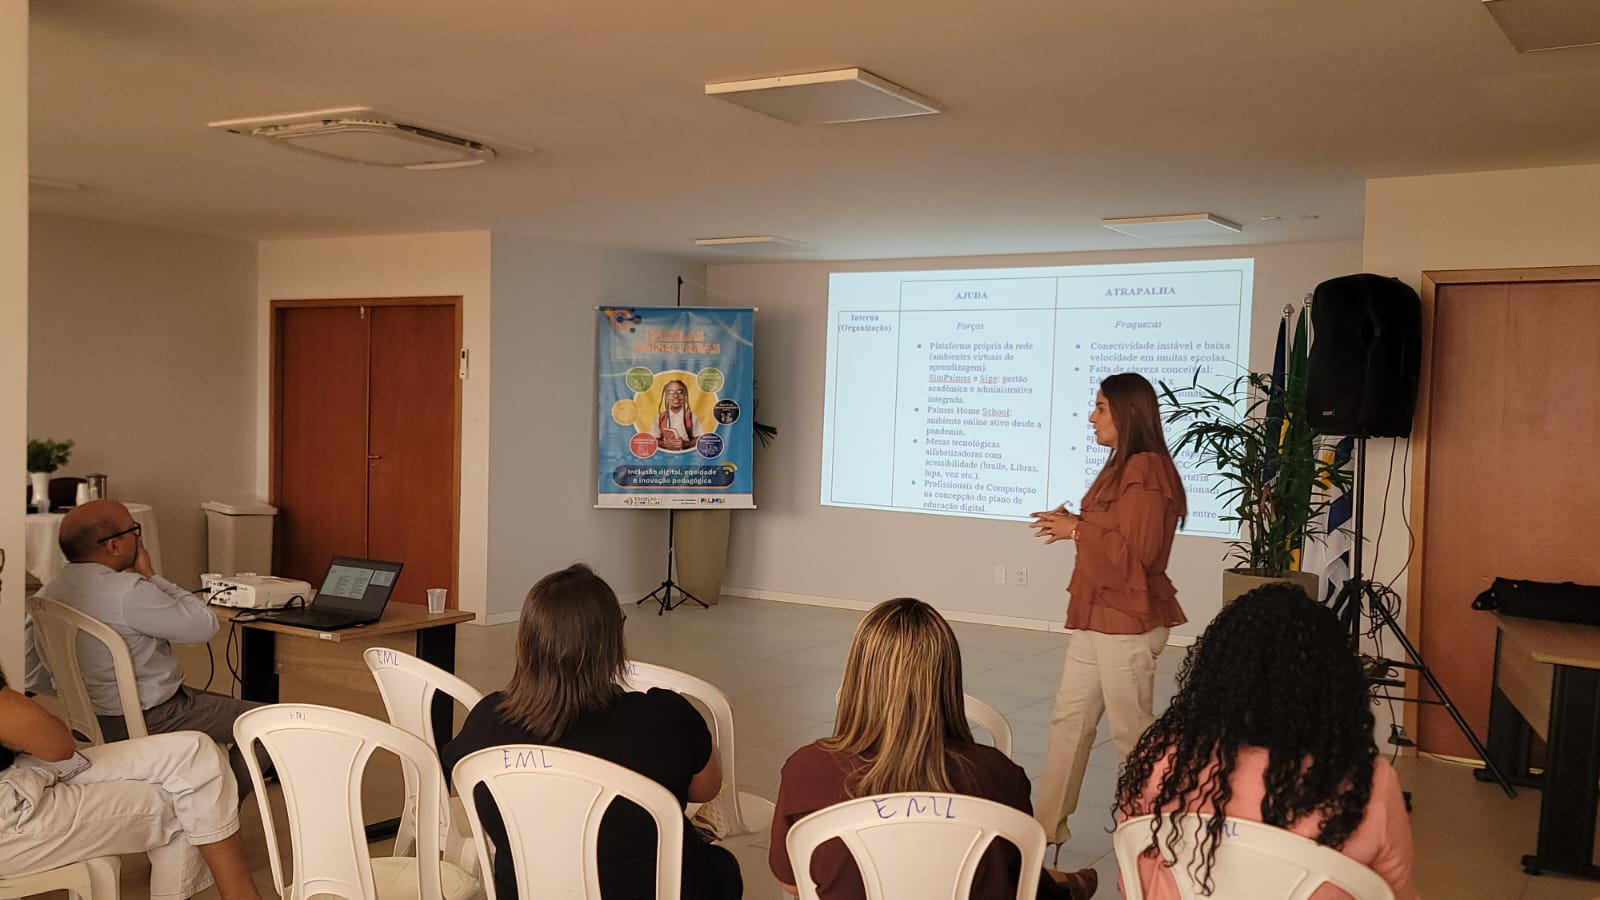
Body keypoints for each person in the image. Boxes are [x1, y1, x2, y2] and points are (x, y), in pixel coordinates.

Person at [440, 563, 741, 900]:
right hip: (654, 889)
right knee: (723, 867)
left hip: (529, 891)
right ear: (613, 639)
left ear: (527, 640)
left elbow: (464, 782)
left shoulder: (487, 722)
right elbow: (707, 789)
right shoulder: (664, 717)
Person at [769, 598, 1099, 900]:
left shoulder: (806, 769)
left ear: (857, 676)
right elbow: (1019, 882)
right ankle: (1068, 886)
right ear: (948, 678)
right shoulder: (998, 774)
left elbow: (792, 882)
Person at [1114, 583, 1419, 900]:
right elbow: (1393, 894)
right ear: (1334, 685)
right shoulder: (1365, 784)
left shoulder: (1162, 761)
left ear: (1217, 674)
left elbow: (1132, 879)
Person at [1028, 373, 1187, 848]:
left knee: (1130, 735)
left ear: (1127, 412)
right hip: (1098, 616)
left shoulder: (1147, 469)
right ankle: (1042, 832)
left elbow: (1133, 557)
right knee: (1068, 722)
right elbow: (1108, 535)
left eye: (1100, 408)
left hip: (1128, 622)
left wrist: (1078, 530)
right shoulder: (1118, 465)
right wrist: (1073, 525)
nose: (1091, 417)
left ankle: (1158, 836)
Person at [29, 499, 260, 797]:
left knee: (226, 706)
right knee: (271, 728)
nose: (139, 539)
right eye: (134, 531)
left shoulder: (48, 593)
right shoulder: (131, 592)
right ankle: (219, 810)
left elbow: (31, 670)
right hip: (156, 715)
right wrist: (152, 576)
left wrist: (81, 695)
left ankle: (206, 797)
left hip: (90, 719)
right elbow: (204, 626)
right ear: (114, 546)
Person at [0, 671, 262, 900]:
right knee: (183, 799)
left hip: (21, 773)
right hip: (11, 816)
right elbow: (56, 743)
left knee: (197, 752)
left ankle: (240, 895)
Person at [650, 378, 698, 451]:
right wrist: (664, 444)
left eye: (680, 392)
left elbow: (699, 439)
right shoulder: (660, 417)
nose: (675, 396)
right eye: (671, 392)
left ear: (685, 396)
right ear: (666, 397)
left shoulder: (691, 417)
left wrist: (686, 444)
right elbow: (653, 440)